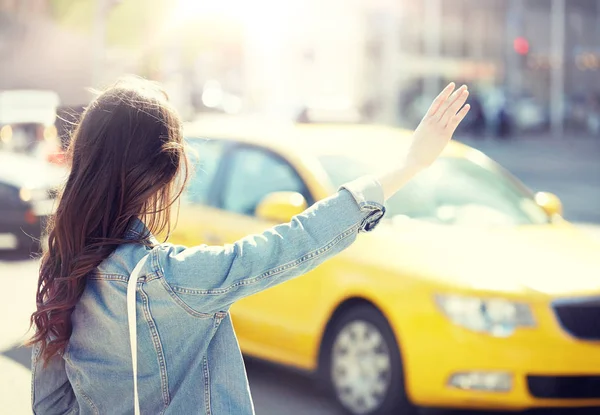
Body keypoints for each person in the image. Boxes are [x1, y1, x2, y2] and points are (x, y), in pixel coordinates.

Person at [28, 77, 469, 414]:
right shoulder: (171, 279)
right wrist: (410, 165)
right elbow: (295, 242)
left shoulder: (63, 270)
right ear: (166, 170)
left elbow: (49, 406)